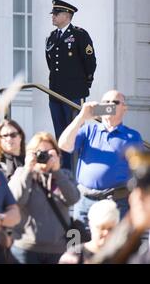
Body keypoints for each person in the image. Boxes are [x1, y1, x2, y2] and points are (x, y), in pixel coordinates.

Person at [59, 90, 143, 229]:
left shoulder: (132, 136)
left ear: (124, 108)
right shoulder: (88, 130)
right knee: (77, 245)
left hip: (117, 202)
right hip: (85, 201)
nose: (110, 105)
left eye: (115, 102)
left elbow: (140, 172)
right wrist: (81, 117)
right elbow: (63, 145)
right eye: (105, 102)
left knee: (114, 249)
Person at [8, 132, 80, 264]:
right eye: (38, 152)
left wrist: (57, 172)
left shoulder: (64, 176)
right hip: (26, 249)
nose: (43, 156)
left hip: (58, 250)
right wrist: (28, 171)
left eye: (48, 153)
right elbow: (16, 200)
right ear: (30, 154)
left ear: (57, 155)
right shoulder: (20, 174)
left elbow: (73, 199)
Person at [45, 0, 97, 170]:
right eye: (53, 13)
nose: (53, 16)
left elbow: (90, 62)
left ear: (67, 15)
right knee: (61, 135)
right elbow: (51, 64)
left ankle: (77, 172)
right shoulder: (52, 37)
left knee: (75, 134)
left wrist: (85, 83)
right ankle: (64, 172)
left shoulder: (80, 35)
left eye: (56, 13)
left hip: (74, 93)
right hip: (55, 93)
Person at [59, 199, 120, 264]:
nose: (106, 233)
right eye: (102, 228)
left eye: (110, 229)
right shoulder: (73, 256)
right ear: (91, 226)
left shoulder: (122, 254)